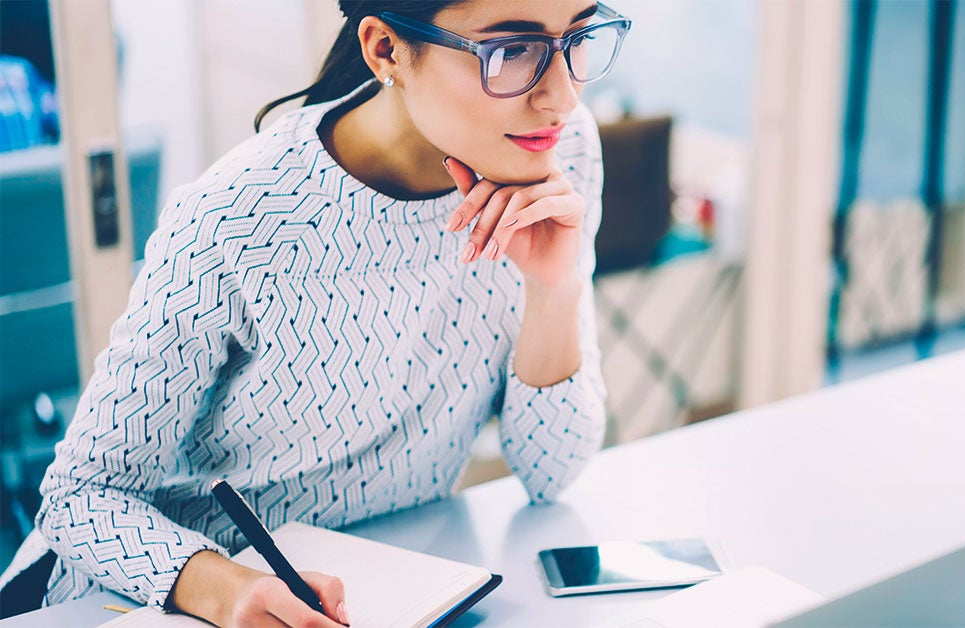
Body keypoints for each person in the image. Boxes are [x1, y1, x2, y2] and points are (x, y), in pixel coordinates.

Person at [0, 1, 630, 625]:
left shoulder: (557, 154)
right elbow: (79, 498)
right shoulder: (237, 220)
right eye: (511, 50)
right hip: (138, 602)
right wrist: (222, 587)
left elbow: (553, 470)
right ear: (385, 49)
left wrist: (555, 286)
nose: (561, 98)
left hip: (378, 594)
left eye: (577, 38)